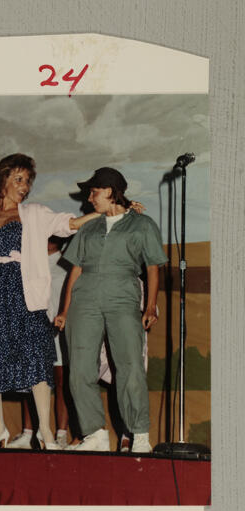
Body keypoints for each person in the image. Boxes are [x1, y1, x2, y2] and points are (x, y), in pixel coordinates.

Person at [0, 153, 100, 450]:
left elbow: (68, 224)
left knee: (35, 358)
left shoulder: (33, 213)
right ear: (3, 178)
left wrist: (102, 214)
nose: (25, 186)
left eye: (28, 181)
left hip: (25, 293)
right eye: (19, 179)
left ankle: (45, 432)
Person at [55, 167, 167, 453]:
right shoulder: (89, 227)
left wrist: (151, 304)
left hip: (123, 298)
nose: (89, 198)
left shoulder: (142, 225)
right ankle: (94, 434)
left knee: (129, 366)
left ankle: (139, 434)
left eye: (93, 192)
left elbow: (152, 267)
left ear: (109, 191)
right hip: (85, 300)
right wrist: (65, 311)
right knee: (79, 369)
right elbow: (75, 271)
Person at [7, 236, 70, 450]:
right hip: (34, 332)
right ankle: (28, 433)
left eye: (50, 237)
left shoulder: (67, 267)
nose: (44, 240)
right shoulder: (30, 267)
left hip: (59, 333)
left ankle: (61, 433)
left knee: (62, 383)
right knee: (31, 382)